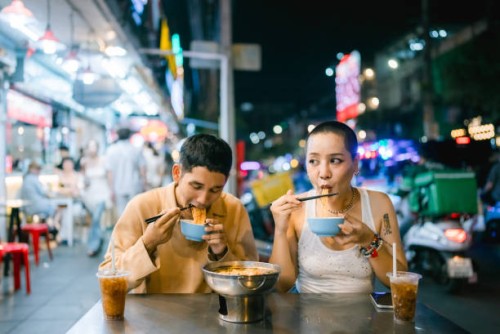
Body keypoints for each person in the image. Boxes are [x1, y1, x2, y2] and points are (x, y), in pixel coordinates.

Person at [99, 133, 259, 293]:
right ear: (177, 173)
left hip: (213, 312)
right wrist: (148, 243)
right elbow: (109, 280)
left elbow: (251, 281)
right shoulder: (143, 206)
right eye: (196, 186)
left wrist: (222, 253)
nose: (203, 199)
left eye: (215, 189)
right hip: (153, 313)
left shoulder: (233, 209)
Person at [269, 121, 407, 293]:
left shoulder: (379, 203)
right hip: (307, 316)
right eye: (313, 161)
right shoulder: (297, 207)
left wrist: (368, 241)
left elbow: (399, 280)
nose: (323, 173)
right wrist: (280, 229)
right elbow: (282, 285)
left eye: (335, 160)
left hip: (363, 317)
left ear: (355, 164)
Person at [105, 127, 147, 218]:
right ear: (129, 135)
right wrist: (144, 185)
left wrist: (111, 190)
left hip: (118, 186)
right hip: (134, 186)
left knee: (121, 215)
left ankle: (123, 231)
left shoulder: (111, 150)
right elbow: (142, 169)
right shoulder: (136, 150)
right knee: (134, 214)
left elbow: (109, 172)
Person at [80, 140, 111, 257]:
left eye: (94, 147)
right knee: (95, 220)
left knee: (96, 219)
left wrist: (111, 191)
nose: (92, 149)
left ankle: (93, 246)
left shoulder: (104, 160)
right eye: (90, 147)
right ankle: (100, 239)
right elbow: (83, 178)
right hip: (89, 195)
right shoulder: (84, 161)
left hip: (102, 193)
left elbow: (109, 176)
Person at [20, 161, 62, 235]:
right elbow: (43, 192)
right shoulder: (33, 178)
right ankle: (52, 228)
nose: (39, 171)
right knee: (56, 208)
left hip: (28, 206)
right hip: (35, 205)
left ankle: (48, 227)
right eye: (37, 169)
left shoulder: (27, 178)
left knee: (53, 207)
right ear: (31, 169)